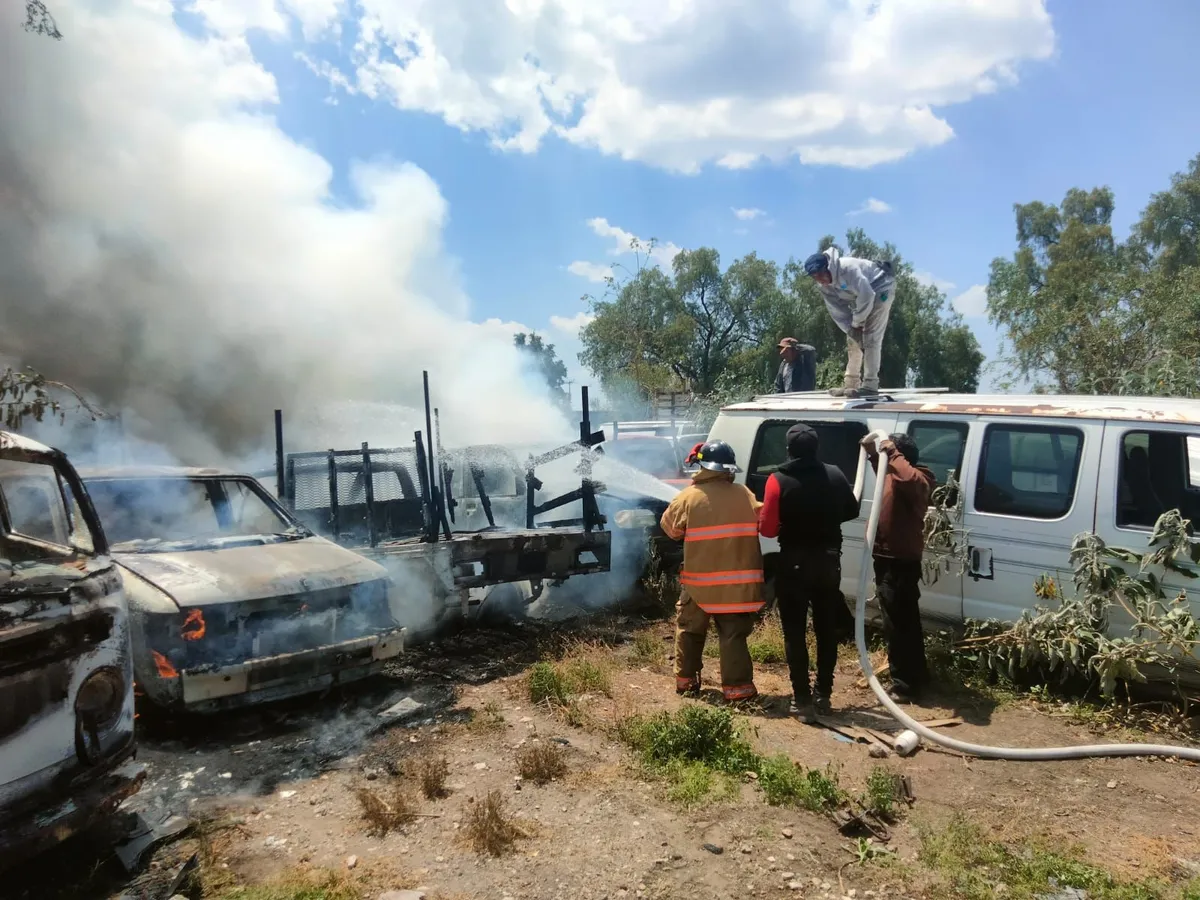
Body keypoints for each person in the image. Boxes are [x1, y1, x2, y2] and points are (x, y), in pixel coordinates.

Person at [758, 424, 860, 720]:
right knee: (826, 630)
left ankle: (801, 701)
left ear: (788, 449)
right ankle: (824, 695)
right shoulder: (836, 474)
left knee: (795, 633)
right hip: (829, 563)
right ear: (816, 448)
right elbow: (851, 510)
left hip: (794, 564)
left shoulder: (778, 481)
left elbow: (766, 528)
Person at [660, 439, 765, 702]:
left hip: (699, 586)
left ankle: (686, 684)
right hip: (737, 587)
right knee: (733, 637)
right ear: (728, 468)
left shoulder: (688, 496)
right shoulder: (745, 494)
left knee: (690, 632)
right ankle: (738, 690)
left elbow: (671, 530)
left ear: (701, 466)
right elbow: (764, 520)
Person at [860, 433, 936, 703]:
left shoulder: (919, 479)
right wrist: (872, 453)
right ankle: (917, 676)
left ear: (901, 456)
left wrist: (891, 451)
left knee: (899, 623)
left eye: (892, 455)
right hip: (887, 557)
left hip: (900, 560)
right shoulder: (894, 475)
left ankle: (905, 685)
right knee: (906, 620)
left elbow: (909, 479)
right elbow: (883, 471)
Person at [803, 248, 896, 398]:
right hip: (863, 295)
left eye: (820, 274)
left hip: (881, 287)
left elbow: (867, 296)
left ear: (828, 267)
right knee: (852, 338)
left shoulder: (848, 269)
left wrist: (858, 322)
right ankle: (851, 384)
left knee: (871, 336)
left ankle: (870, 385)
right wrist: (851, 329)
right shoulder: (824, 287)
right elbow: (838, 311)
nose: (819, 279)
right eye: (815, 277)